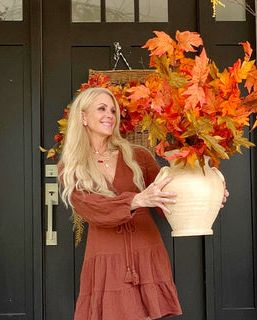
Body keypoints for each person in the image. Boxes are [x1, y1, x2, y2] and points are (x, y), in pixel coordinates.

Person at [58, 87, 228, 320]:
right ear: (83, 117)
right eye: (102, 108)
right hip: (107, 257)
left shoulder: (137, 156)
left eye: (113, 110)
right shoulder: (72, 167)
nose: (110, 115)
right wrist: (136, 199)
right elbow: (91, 209)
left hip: (146, 250)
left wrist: (206, 194)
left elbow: (165, 196)